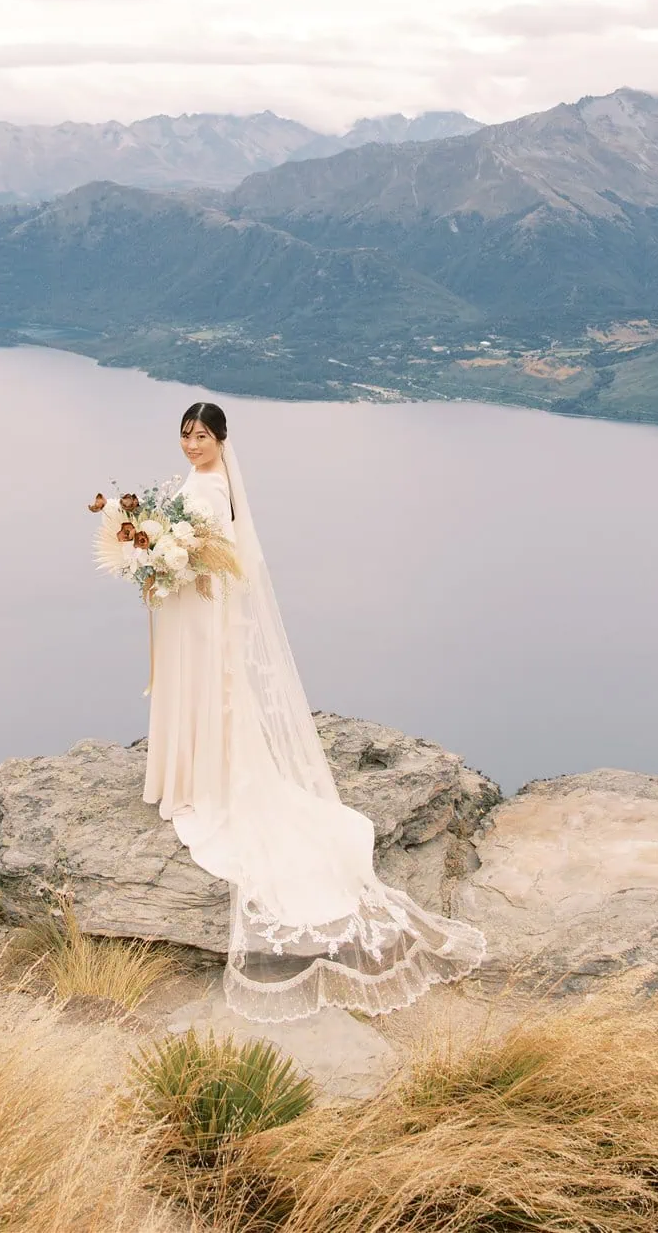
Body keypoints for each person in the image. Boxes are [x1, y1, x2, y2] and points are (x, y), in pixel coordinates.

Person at [142, 400, 486, 1022]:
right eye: (185, 435)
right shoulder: (195, 482)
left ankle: (201, 779)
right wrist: (151, 553)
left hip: (202, 608)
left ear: (222, 439)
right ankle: (186, 774)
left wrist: (170, 557)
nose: (192, 445)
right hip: (185, 609)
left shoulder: (216, 490)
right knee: (188, 692)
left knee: (205, 700)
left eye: (202, 436)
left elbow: (216, 556)